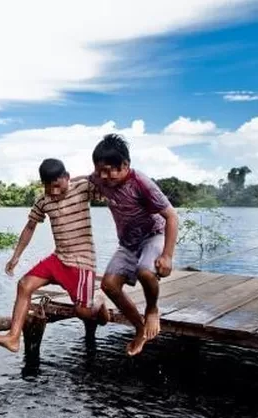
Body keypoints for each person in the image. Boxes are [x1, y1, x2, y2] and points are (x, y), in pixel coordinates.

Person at [0, 158, 110, 353]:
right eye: (47, 187)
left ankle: (99, 303)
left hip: (82, 261)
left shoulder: (82, 188)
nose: (53, 192)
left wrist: (85, 178)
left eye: (57, 186)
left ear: (67, 178)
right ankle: (13, 338)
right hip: (58, 259)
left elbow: (107, 187)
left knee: (82, 312)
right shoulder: (44, 200)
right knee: (24, 285)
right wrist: (16, 256)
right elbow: (30, 226)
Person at [87, 133, 179, 356]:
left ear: (125, 165)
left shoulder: (141, 183)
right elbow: (84, 179)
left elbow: (172, 217)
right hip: (128, 243)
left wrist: (167, 256)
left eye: (110, 170)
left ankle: (152, 309)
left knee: (145, 272)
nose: (104, 176)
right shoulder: (99, 178)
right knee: (108, 285)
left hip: (153, 234)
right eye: (100, 170)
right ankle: (139, 328)